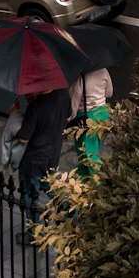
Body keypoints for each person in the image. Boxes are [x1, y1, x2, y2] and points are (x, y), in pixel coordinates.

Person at [13, 86, 71, 243]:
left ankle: (35, 234)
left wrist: (15, 116)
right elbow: (66, 118)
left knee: (30, 196)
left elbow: (23, 138)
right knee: (49, 185)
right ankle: (70, 210)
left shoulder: (35, 107)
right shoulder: (63, 95)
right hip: (52, 155)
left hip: (33, 161)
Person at [68, 64, 113, 177]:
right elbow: (109, 93)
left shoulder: (81, 77)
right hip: (102, 114)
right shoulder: (103, 70)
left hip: (87, 118)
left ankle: (100, 183)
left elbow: (74, 103)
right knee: (93, 147)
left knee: (88, 154)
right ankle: (83, 179)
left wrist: (69, 119)